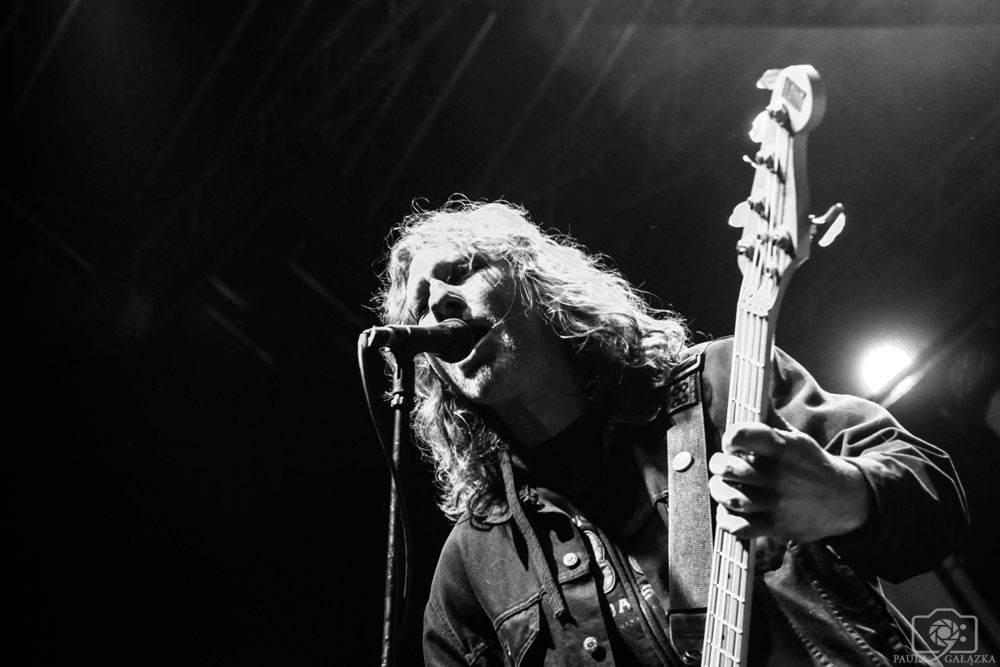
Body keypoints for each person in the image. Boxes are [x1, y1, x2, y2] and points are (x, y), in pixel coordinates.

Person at [373, 196, 969, 666]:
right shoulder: (472, 564)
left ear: (534, 283)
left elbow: (934, 494)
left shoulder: (723, 382)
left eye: (460, 272)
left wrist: (844, 493)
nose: (438, 304)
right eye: (420, 304)